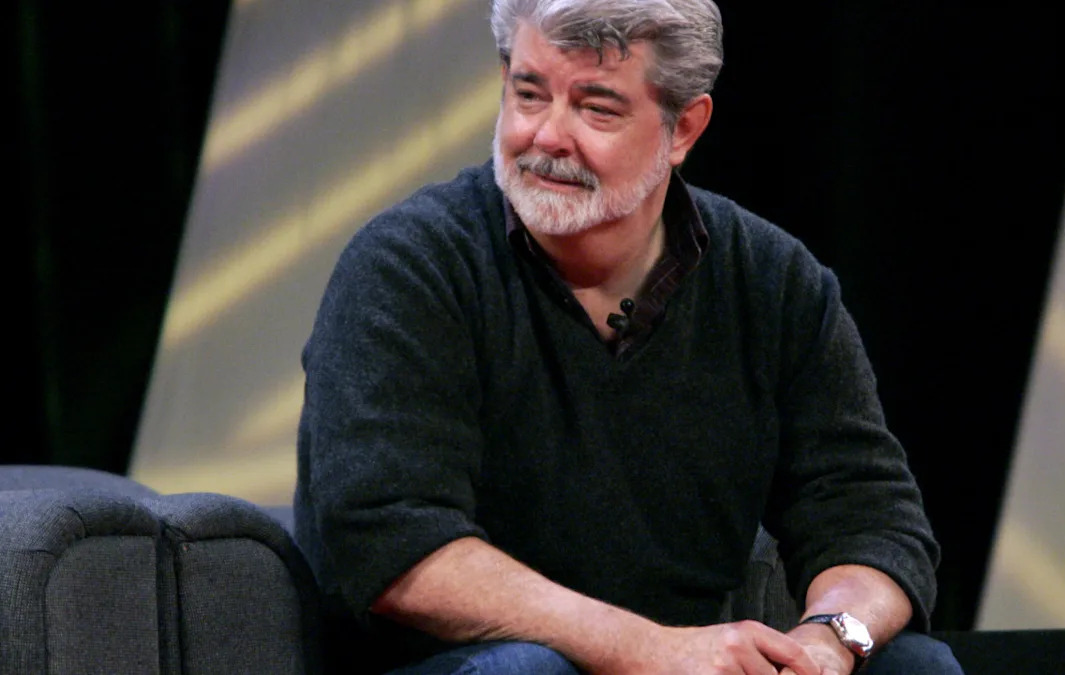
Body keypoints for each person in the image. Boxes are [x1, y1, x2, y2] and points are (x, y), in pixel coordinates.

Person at [294, 1, 962, 673]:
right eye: (529, 94)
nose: (547, 136)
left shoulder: (774, 282)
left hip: (685, 662)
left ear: (684, 128)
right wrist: (646, 649)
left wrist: (829, 639)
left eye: (596, 108)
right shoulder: (410, 266)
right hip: (459, 663)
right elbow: (390, 539)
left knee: (915, 665)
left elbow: (872, 521)